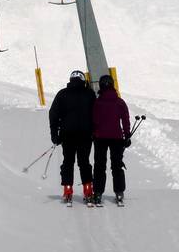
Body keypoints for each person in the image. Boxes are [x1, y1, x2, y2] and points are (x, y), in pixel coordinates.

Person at [49, 70, 96, 204]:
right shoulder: (90, 94)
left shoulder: (62, 94)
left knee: (68, 162)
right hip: (85, 134)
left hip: (67, 134)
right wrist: (95, 131)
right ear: (83, 80)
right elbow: (96, 114)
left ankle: (67, 190)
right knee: (84, 162)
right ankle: (88, 190)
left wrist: (54, 134)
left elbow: (53, 114)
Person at [91, 74, 131, 206]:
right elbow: (125, 120)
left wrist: (93, 133)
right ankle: (119, 192)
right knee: (117, 165)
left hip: (100, 138)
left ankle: (97, 193)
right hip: (117, 138)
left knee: (99, 166)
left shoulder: (97, 102)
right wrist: (127, 135)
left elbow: (94, 120)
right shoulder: (120, 102)